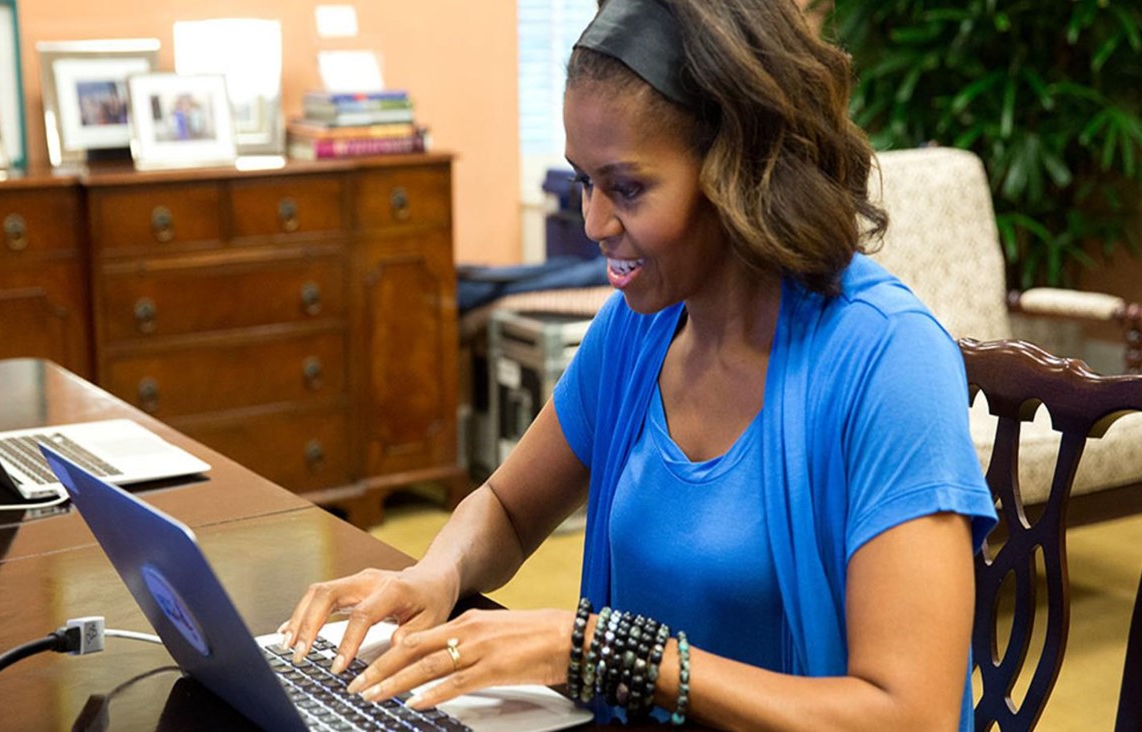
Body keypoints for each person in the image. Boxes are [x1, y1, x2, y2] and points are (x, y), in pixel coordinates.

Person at [280, 0, 998, 728]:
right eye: (583, 181)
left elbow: (914, 714)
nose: (593, 222)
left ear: (741, 171)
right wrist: (439, 571)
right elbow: (507, 509)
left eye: (626, 188)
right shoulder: (637, 329)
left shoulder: (889, 361)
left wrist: (605, 652)